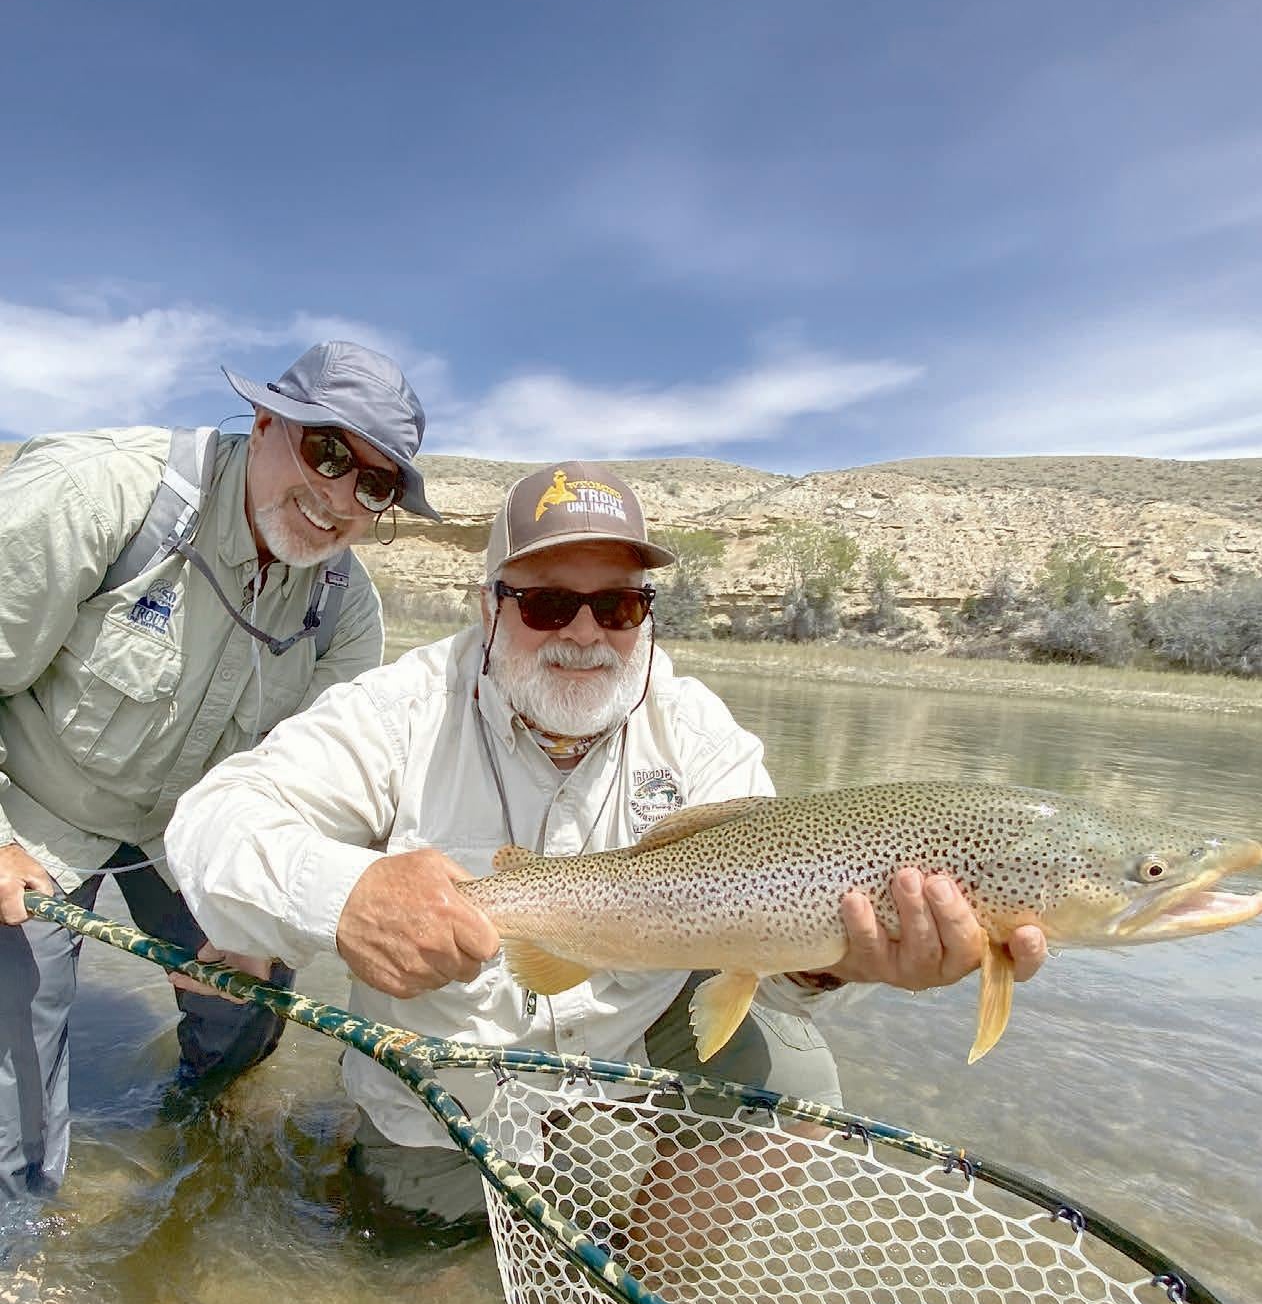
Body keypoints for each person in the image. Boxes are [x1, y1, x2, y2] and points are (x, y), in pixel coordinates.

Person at [165, 461, 1048, 1230]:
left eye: (619, 604)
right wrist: (346, 896)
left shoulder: (702, 738)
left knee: (794, 1075)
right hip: (442, 1098)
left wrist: (843, 964)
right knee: (407, 1280)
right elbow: (212, 822)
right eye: (548, 604)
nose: (586, 634)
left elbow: (766, 965)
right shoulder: (399, 710)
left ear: (646, 615)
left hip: (618, 1065)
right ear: (488, 607)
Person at [0, 339, 440, 1198]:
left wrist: (266, 913)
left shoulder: (346, 614)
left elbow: (325, 794)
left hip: (188, 833)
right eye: (327, 452)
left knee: (251, 1005)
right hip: (31, 805)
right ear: (267, 419)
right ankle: (21, 1254)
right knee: (12, 1038)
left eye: (374, 483)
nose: (339, 496)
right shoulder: (99, 494)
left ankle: (190, 1133)